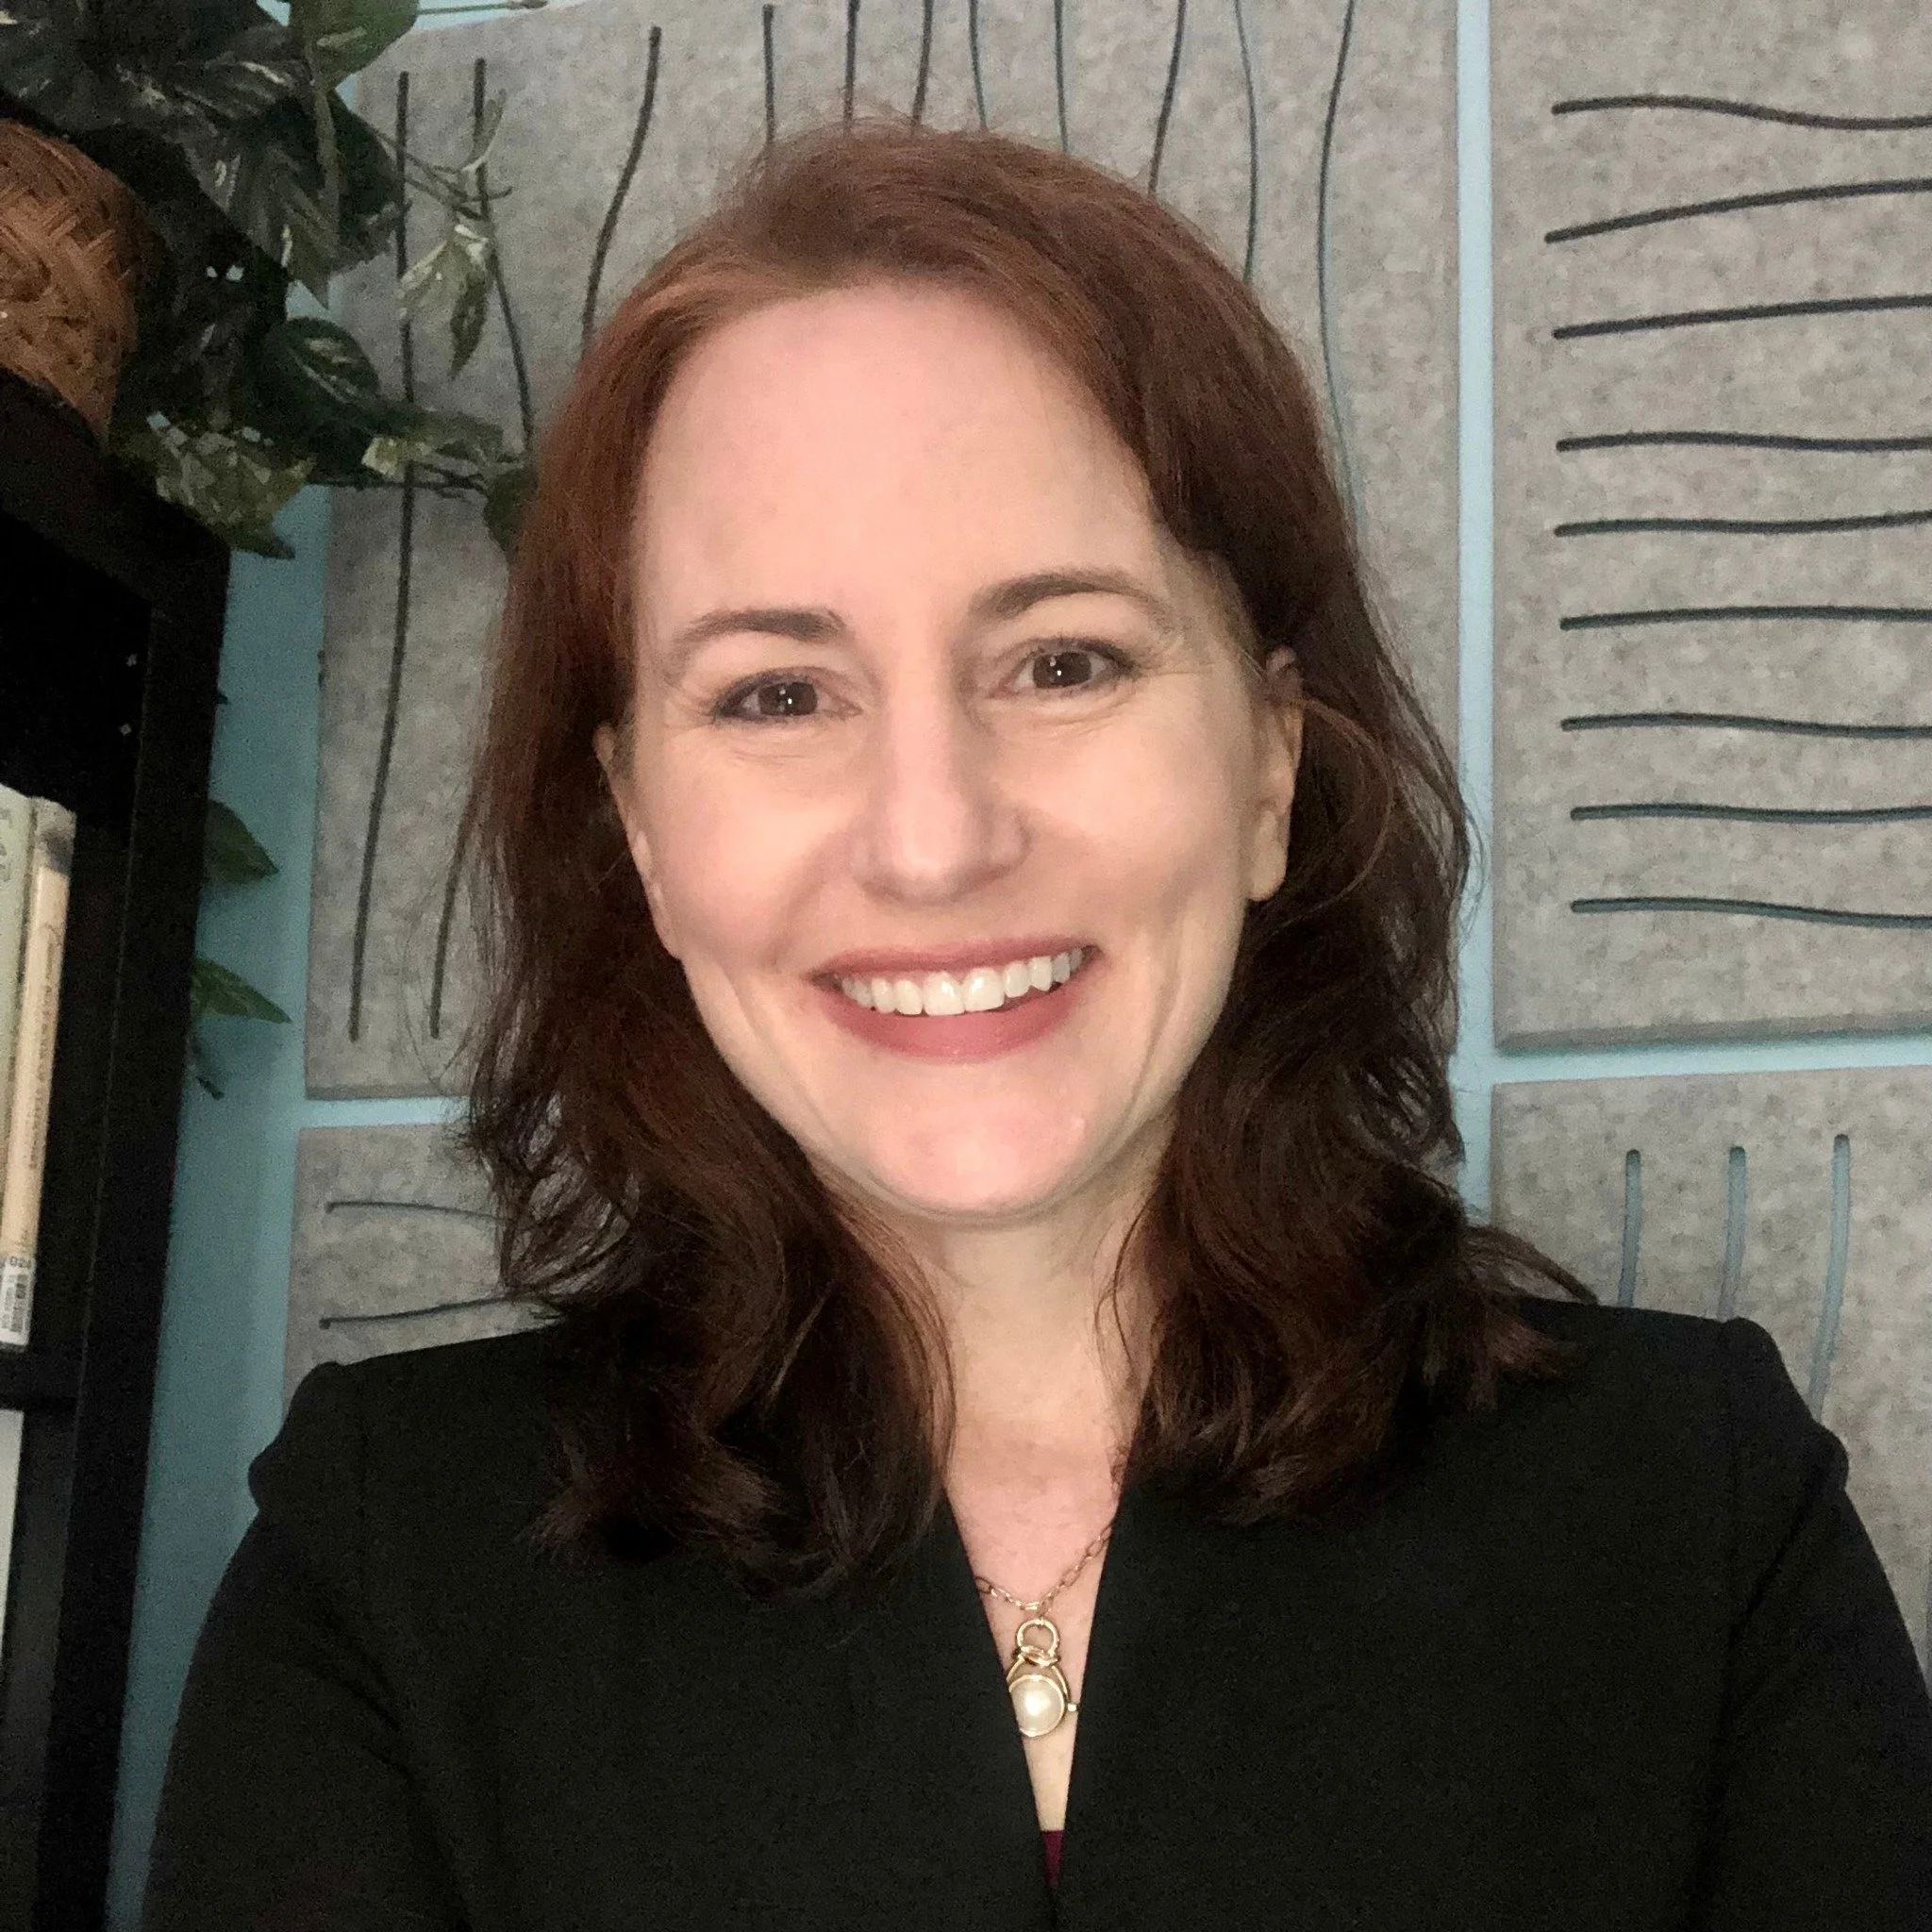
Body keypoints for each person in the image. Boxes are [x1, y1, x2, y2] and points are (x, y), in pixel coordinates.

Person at [143, 115, 1932, 1928]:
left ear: (1268, 763)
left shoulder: (1693, 1520)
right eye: (777, 692)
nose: (935, 840)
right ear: (643, 837)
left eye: (1063, 660)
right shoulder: (384, 1562)